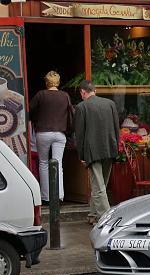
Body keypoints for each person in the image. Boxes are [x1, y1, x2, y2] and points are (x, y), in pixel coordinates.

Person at [74, 80, 119, 225]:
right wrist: (115, 148)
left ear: (83, 92)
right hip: (109, 148)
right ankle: (93, 214)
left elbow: (79, 134)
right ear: (95, 90)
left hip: (92, 152)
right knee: (100, 186)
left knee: (99, 187)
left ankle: (106, 219)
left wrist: (81, 155)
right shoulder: (110, 104)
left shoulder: (82, 107)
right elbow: (116, 128)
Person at [30, 71, 74, 204]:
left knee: (43, 163)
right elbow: (70, 113)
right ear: (58, 82)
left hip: (43, 133)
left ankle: (46, 197)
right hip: (60, 134)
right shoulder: (65, 96)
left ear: (46, 82)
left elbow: (30, 110)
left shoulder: (40, 95)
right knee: (58, 164)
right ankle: (59, 196)